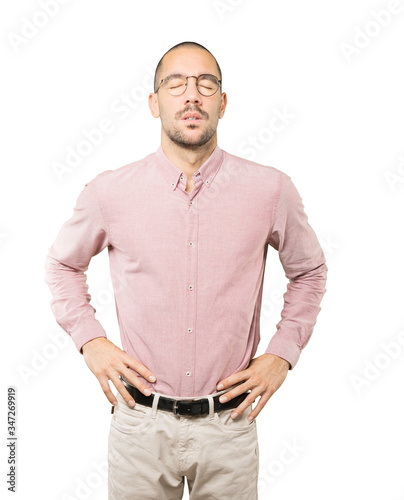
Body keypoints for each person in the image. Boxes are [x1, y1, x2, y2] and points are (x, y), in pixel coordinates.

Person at [44, 41, 328, 499]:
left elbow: (309, 271)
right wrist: (90, 341)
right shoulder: (108, 192)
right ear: (155, 103)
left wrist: (283, 353)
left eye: (206, 84)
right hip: (139, 427)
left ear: (223, 102)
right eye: (175, 84)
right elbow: (62, 264)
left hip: (231, 426)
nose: (191, 95)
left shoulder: (270, 190)